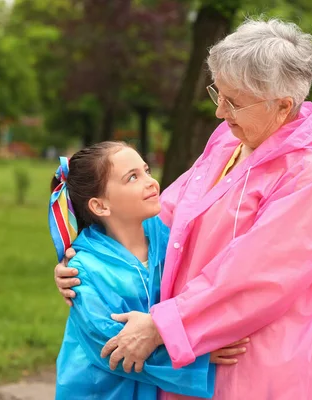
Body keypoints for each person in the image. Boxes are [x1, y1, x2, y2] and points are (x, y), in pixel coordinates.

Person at [55, 17, 312, 400]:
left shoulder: (309, 175)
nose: (220, 112)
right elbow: (160, 219)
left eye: (234, 102)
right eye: (219, 93)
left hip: (246, 363)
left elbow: (256, 277)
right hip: (191, 353)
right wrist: (87, 262)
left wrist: (164, 327)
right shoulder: (229, 144)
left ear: (282, 106)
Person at [48, 142, 248, 400]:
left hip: (150, 390)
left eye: (146, 170)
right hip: (99, 391)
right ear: (100, 206)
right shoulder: (84, 269)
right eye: (132, 177)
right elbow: (112, 346)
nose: (151, 182)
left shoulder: (166, 238)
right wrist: (195, 356)